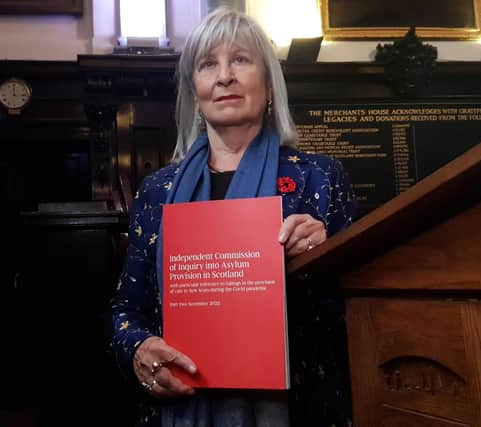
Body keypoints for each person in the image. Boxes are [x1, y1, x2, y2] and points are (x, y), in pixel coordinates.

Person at [108, 6, 356, 427]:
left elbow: (359, 310)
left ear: (269, 82)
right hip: (180, 408)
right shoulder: (157, 191)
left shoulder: (320, 179)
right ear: (195, 91)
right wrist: (138, 350)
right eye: (208, 64)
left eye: (240, 59)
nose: (224, 76)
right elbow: (126, 309)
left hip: (300, 409)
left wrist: (325, 257)